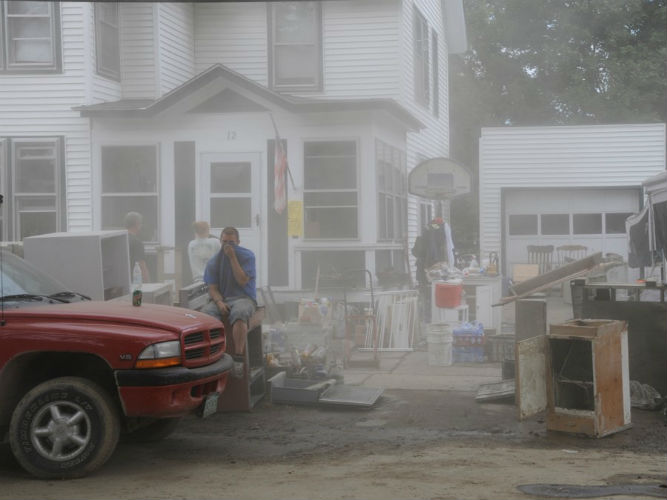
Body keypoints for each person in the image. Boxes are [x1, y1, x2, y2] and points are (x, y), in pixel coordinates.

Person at [202, 227, 256, 373]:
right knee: (206, 315)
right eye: (225, 242)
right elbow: (212, 288)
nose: (227, 246)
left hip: (243, 297)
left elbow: (242, 280)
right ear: (220, 241)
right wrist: (219, 302)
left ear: (238, 242)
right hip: (223, 298)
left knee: (240, 313)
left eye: (231, 243)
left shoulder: (247, 256)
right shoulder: (214, 262)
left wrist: (232, 257)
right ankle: (212, 356)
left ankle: (238, 357)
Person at [124, 211, 150, 282]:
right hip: (134, 284)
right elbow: (142, 266)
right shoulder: (137, 243)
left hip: (120, 284)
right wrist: (148, 285)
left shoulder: (120, 240)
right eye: (140, 223)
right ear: (137, 224)